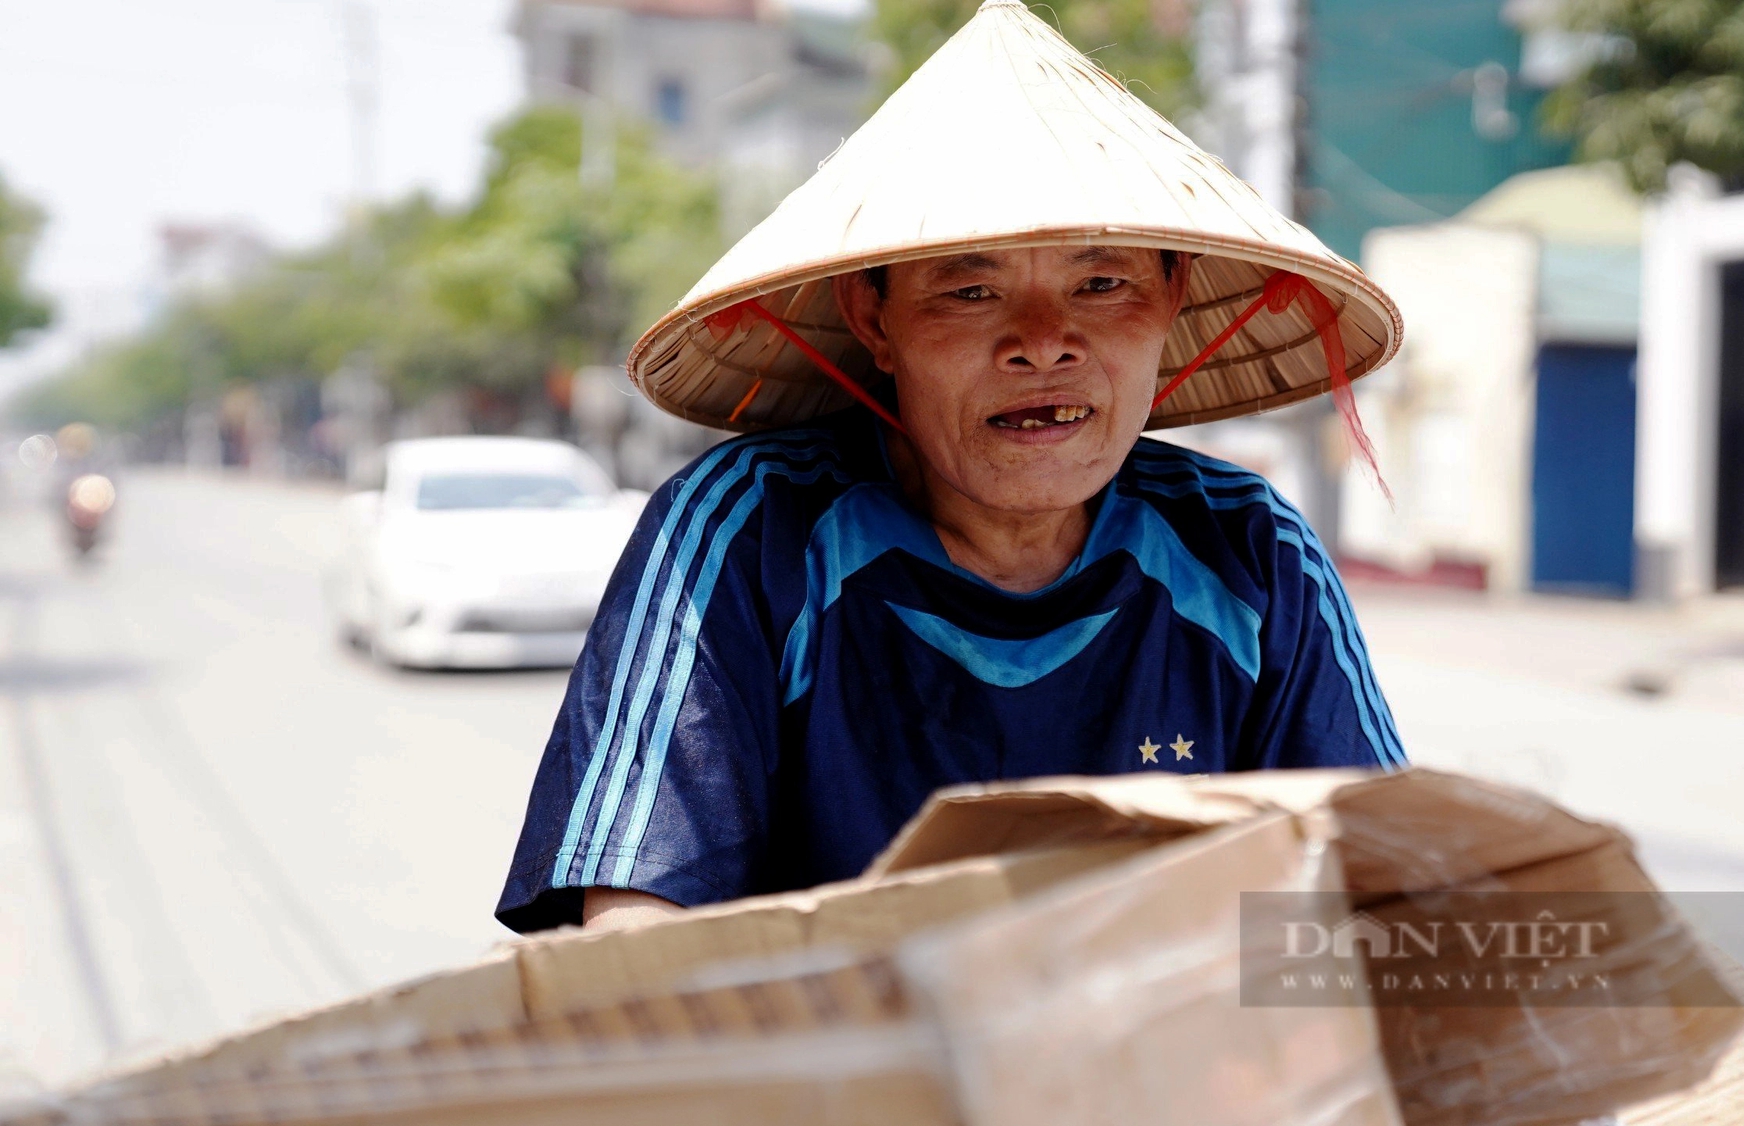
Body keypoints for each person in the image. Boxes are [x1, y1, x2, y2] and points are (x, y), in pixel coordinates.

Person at [497, 0, 1407, 934]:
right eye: (970, 291)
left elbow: (1375, 894)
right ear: (873, 320)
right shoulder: (749, 531)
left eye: (1102, 284)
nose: (1044, 346)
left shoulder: (1247, 550)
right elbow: (637, 933)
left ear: (1171, 298)